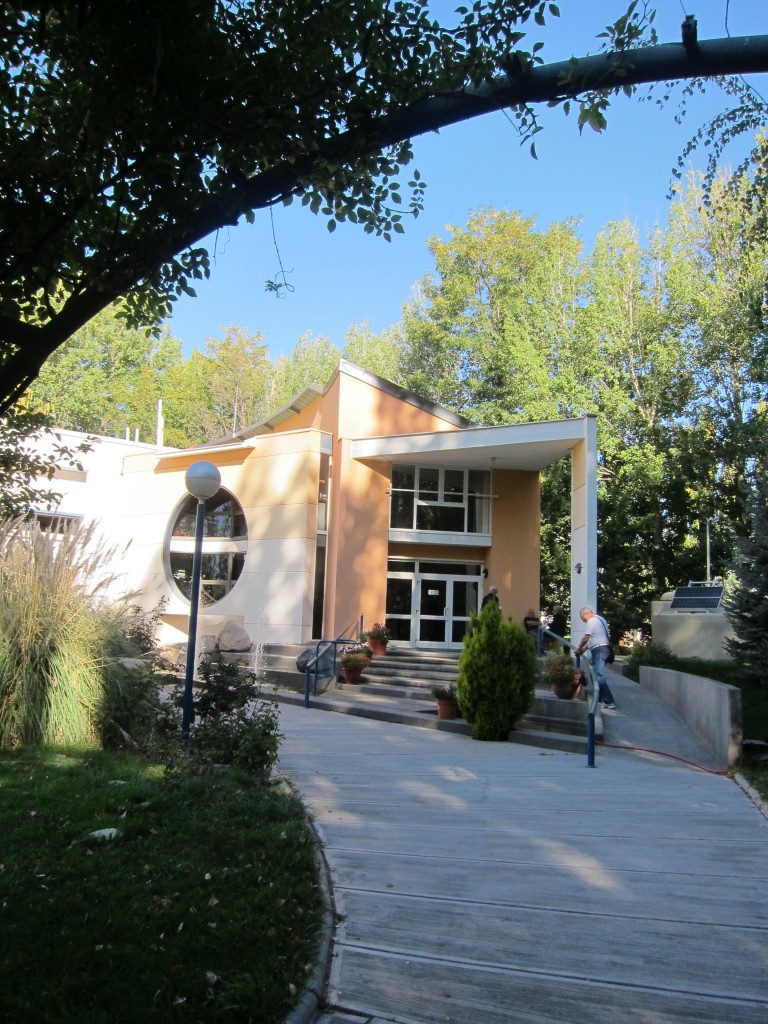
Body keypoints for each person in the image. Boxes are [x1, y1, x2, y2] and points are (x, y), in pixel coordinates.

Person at [574, 606, 617, 709]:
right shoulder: (601, 620)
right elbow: (591, 641)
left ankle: (609, 701)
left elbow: (586, 637)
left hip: (599, 650)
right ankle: (601, 699)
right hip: (604, 649)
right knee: (594, 674)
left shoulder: (592, 620)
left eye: (583, 619)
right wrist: (582, 651)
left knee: (598, 675)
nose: (584, 621)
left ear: (585, 615)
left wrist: (578, 648)